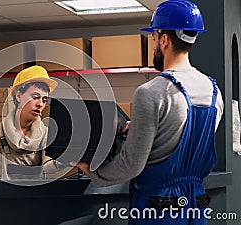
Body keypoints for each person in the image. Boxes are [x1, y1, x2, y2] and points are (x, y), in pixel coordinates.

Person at [74, 0, 224, 224]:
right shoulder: (214, 91)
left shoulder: (151, 92)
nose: (154, 43)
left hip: (158, 211)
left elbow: (131, 164)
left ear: (163, 39)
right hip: (196, 209)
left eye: (153, 37)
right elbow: (186, 138)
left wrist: (94, 172)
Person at [0, 65, 64, 180]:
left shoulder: (45, 134)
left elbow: (47, 166)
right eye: (35, 96)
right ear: (18, 96)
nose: (40, 104)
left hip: (34, 197)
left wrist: (67, 160)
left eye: (44, 99)